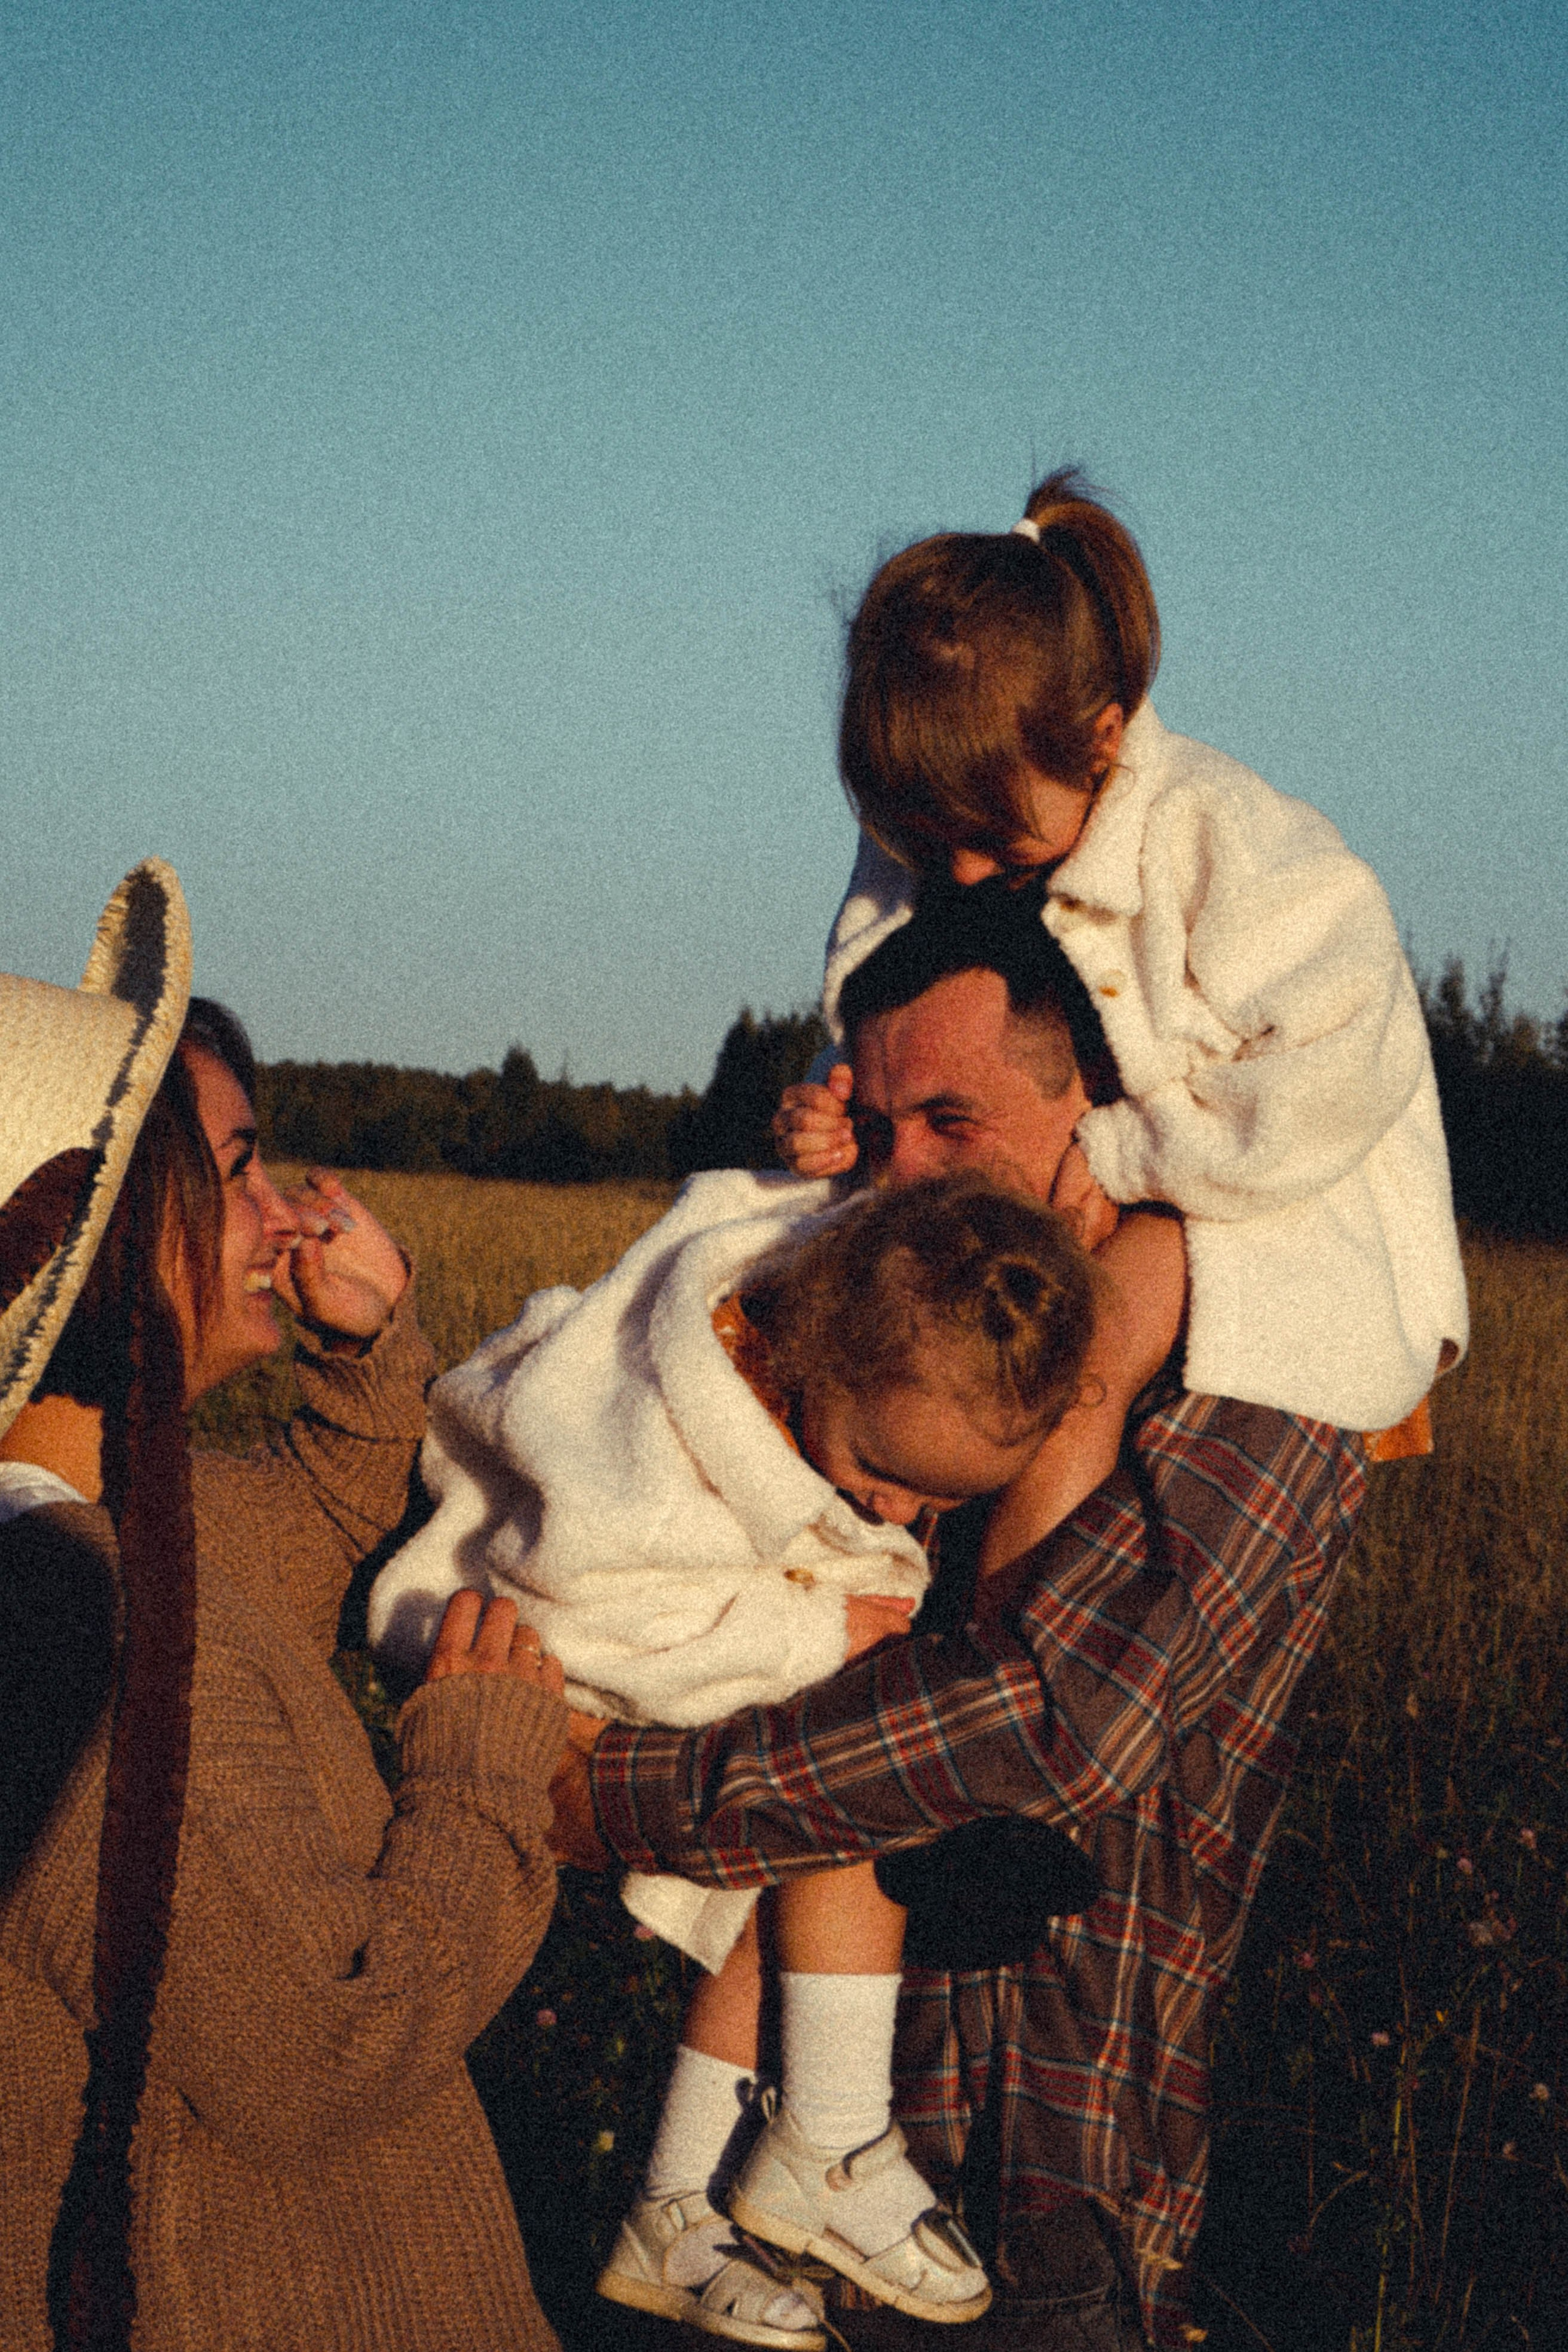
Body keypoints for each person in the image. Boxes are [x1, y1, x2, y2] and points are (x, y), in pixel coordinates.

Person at [546, 876, 1379, 2352]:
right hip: (791, 2144)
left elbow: (1049, 1722)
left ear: (1104, 1103)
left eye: (949, 1121)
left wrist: (596, 1792)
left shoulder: (1256, 1366)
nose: (900, 1174)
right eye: (875, 1130)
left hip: (1040, 2155)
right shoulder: (912, 1319)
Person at [369, 1167, 1180, 2342]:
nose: (894, 1514)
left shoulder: (856, 1319)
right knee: (839, 1792)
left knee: (789, 1878)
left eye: (936, 1502)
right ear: (818, 1352)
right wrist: (803, 1632)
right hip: (521, 1660)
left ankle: (677, 2210)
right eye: (882, 1475)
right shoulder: (655, 1456)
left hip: (658, 1649)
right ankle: (830, 2136)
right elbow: (589, 1603)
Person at [0, 860, 567, 2352]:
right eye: (237, 1171)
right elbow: (315, 2049)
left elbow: (316, 1513)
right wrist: (480, 1780)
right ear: (111, 1229)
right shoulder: (60, 1624)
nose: (282, 1217)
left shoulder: (124, 1523)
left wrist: (362, 1352)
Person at [777, 466, 1468, 1439]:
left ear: (1103, 741)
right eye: (932, 843)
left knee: (1089, 1386)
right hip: (1067, 1223)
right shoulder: (945, 825)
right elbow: (902, 1025)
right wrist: (845, 1106)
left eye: (997, 842)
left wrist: (1127, 1154)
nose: (963, 874)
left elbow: (1344, 1065)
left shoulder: (1218, 834)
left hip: (1284, 1219)